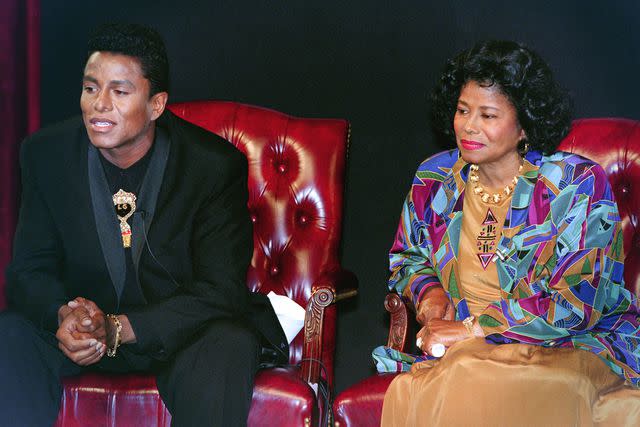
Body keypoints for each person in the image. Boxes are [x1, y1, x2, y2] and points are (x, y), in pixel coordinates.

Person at [0, 23, 287, 427]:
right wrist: (64, 316)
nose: (99, 104)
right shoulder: (44, 155)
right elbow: (29, 271)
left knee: (229, 342)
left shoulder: (212, 167)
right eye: (90, 88)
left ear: (156, 105)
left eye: (119, 92)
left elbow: (220, 291)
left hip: (172, 336)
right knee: (9, 336)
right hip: (78, 335)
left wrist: (121, 328)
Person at [378, 40, 640, 426]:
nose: (469, 126)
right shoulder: (434, 180)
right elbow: (408, 256)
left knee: (471, 377)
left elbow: (577, 304)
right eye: (463, 110)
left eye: (488, 115)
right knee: (452, 376)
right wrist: (431, 296)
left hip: (566, 347)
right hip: (468, 352)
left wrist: (470, 329)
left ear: (523, 126)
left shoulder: (574, 184)